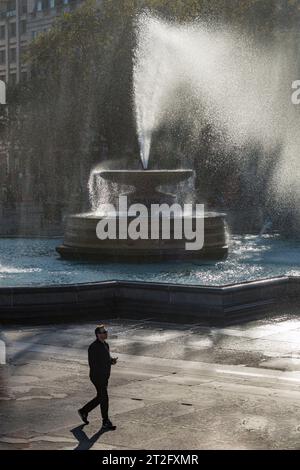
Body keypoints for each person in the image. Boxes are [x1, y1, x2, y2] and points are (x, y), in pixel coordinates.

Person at [78, 324, 118, 430]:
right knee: (104, 397)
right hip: (97, 376)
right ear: (98, 335)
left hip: (105, 376)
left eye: (106, 331)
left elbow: (106, 359)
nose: (106, 333)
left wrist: (111, 361)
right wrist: (101, 374)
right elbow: (93, 364)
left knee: (100, 397)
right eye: (103, 332)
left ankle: (84, 411)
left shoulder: (106, 344)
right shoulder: (93, 347)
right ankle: (105, 421)